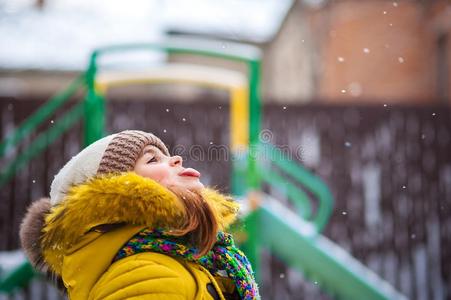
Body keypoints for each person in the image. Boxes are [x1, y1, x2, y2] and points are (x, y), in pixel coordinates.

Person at [20, 130, 259, 300]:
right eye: (153, 158)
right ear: (119, 191)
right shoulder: (146, 277)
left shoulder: (186, 259)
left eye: (166, 155)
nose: (176, 159)